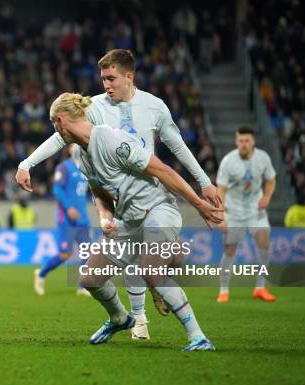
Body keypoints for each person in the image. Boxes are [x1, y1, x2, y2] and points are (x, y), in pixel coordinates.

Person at [15, 49, 222, 339]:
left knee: (155, 266)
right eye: (102, 79)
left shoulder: (151, 108)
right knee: (91, 276)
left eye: (111, 78)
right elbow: (67, 143)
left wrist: (203, 185)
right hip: (126, 212)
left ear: (129, 76)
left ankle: (193, 332)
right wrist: (103, 215)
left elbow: (174, 152)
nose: (106, 85)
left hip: (155, 200)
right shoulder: (92, 112)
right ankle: (128, 318)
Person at [48, 92, 222, 351]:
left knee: (150, 269)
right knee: (90, 278)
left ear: (61, 121)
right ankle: (119, 318)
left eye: (54, 126)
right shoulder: (80, 156)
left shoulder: (110, 138)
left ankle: (197, 336)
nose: (55, 133)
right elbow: (99, 191)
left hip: (157, 209)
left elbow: (163, 170)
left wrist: (199, 204)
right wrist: (106, 216)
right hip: (128, 220)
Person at [216, 126, 277, 303]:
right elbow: (221, 190)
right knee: (230, 250)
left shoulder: (263, 158)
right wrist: (220, 216)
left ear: (253, 141)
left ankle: (260, 288)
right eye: (240, 141)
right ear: (236, 141)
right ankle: (223, 290)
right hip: (234, 211)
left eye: (247, 140)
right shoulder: (228, 161)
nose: (243, 144)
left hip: (255, 210)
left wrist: (266, 196)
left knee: (264, 243)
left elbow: (271, 179)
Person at [33, 146, 91, 297]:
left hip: (82, 219)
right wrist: (69, 208)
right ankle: (41, 273)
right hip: (66, 219)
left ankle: (82, 287)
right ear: (69, 150)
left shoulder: (88, 168)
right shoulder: (64, 167)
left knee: (88, 252)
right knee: (65, 254)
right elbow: (57, 190)